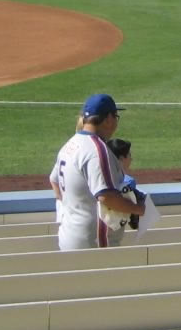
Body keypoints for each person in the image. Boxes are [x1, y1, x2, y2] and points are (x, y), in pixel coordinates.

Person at [49, 94, 146, 249]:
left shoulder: (70, 145)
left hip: (70, 234)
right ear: (108, 119)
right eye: (116, 116)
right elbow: (106, 197)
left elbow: (54, 180)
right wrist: (138, 208)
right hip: (92, 243)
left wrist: (75, 208)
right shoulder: (96, 149)